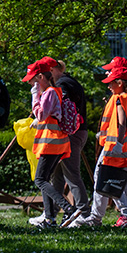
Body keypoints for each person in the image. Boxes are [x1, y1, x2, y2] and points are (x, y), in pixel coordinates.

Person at [69, 61, 127, 228]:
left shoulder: (119, 99)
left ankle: (112, 215)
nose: (109, 86)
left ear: (120, 83)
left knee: (107, 180)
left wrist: (117, 143)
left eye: (111, 82)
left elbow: (122, 123)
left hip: (117, 150)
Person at [23, 59, 79, 227]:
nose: (32, 83)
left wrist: (34, 94)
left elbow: (40, 115)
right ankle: (50, 219)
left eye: (33, 80)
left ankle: (68, 209)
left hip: (51, 142)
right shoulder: (54, 92)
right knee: (45, 178)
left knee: (40, 179)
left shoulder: (49, 92)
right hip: (56, 142)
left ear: (41, 77)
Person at [47, 59, 92, 227]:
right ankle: (52, 212)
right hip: (76, 132)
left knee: (71, 174)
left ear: (54, 70)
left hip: (71, 134)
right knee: (57, 174)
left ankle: (84, 213)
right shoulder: (70, 82)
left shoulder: (63, 84)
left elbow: (61, 105)